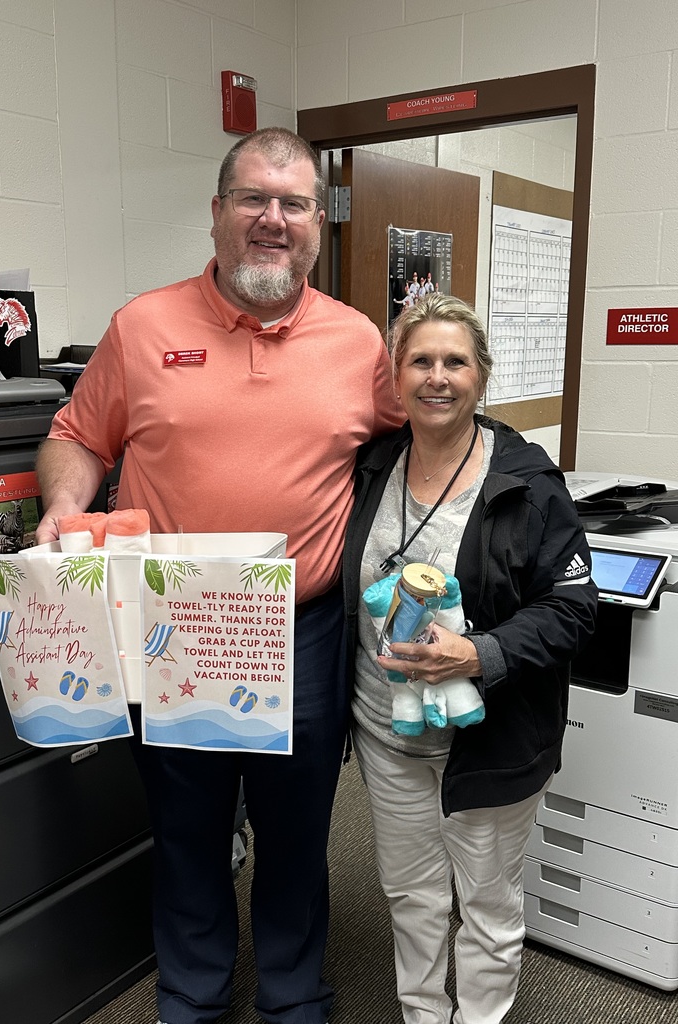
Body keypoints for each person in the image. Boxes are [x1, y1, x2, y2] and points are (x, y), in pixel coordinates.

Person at [34, 127, 402, 1024]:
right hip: (175, 627)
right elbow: (77, 435)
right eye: (253, 199)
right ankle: (191, 998)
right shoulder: (143, 326)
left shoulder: (358, 341)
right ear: (217, 212)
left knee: (296, 832)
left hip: (302, 629)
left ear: (318, 222)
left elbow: (409, 448)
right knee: (187, 828)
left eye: (294, 203)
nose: (274, 219)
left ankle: (292, 996)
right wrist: (64, 507)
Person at [342, 293, 597, 1024]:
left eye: (455, 361)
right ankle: (423, 1013)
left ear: (481, 376)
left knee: (486, 905)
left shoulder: (527, 483)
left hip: (489, 739)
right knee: (412, 895)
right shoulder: (372, 465)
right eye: (420, 360)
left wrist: (481, 653)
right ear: (396, 375)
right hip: (387, 733)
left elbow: (574, 610)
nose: (437, 377)